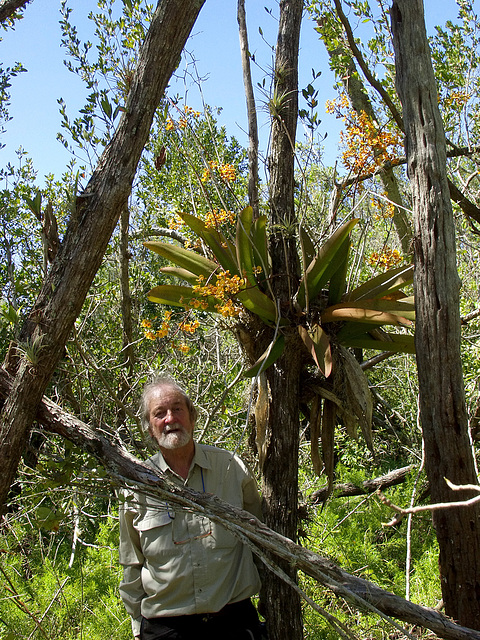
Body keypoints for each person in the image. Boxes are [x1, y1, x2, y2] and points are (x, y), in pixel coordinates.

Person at [119, 375, 264, 640]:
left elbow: (261, 540)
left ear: (192, 416)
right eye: (159, 414)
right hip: (166, 628)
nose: (170, 419)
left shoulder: (231, 468)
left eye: (177, 409)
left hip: (233, 623)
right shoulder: (137, 486)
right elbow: (131, 562)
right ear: (150, 428)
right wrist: (138, 626)